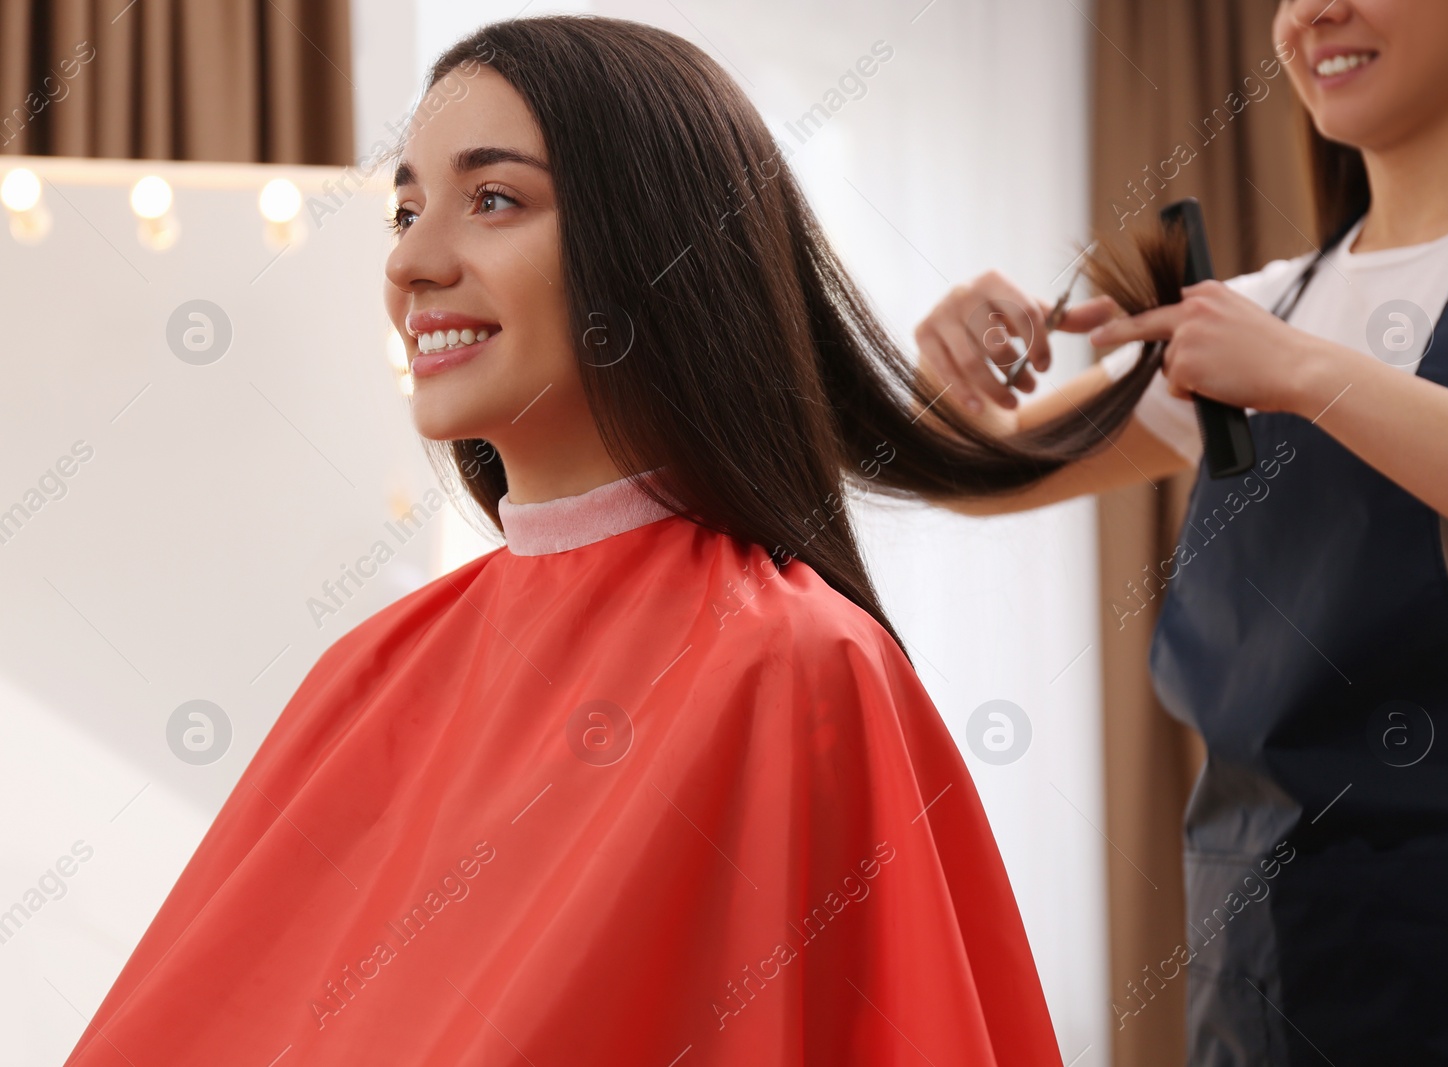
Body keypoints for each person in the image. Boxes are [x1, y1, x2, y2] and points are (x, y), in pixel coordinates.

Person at [61, 16, 1081, 1067]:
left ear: (654, 241)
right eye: (404, 209)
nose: (411, 258)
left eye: (493, 198)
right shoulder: (367, 670)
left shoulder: (796, 669)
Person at [913, 0, 1448, 1062]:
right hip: (1267, 997)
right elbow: (973, 470)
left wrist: (1312, 375)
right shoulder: (1257, 310)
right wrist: (958, 382)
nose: (1311, 11)